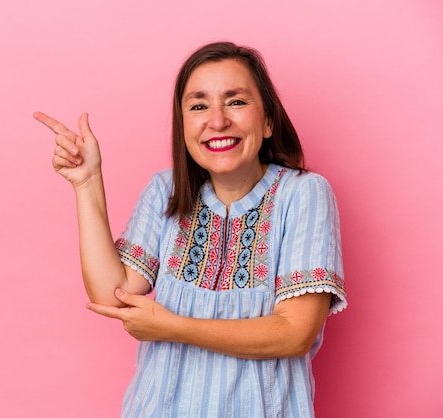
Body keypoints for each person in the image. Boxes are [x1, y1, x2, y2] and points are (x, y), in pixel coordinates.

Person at [34, 41, 347, 417]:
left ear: (267, 121)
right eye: (199, 106)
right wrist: (86, 183)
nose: (217, 121)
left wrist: (172, 327)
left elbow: (295, 333)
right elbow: (111, 294)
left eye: (236, 101)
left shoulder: (304, 194)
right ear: (183, 126)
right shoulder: (165, 191)